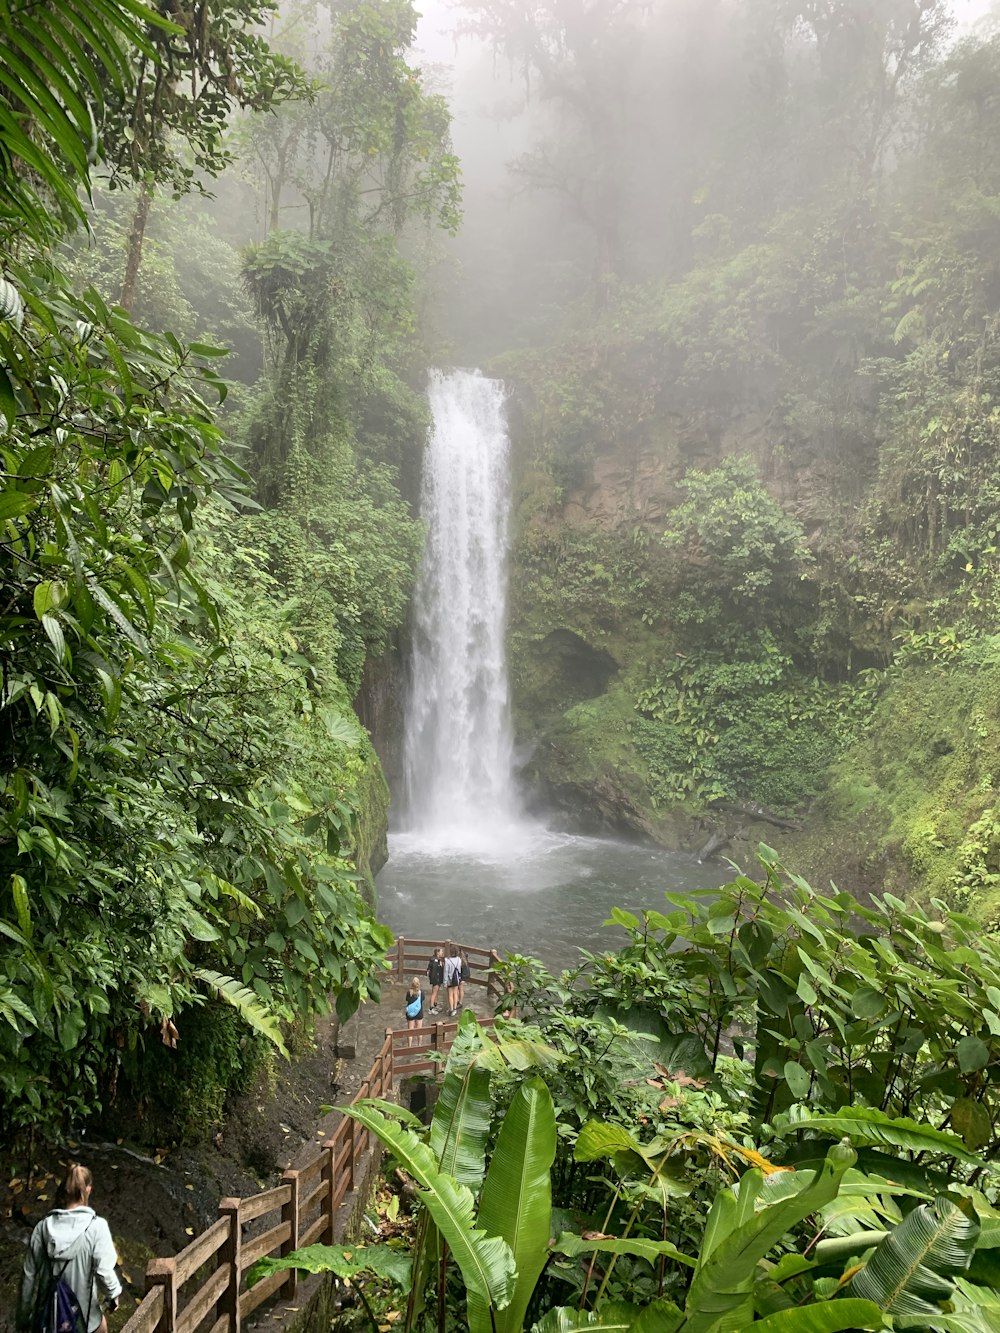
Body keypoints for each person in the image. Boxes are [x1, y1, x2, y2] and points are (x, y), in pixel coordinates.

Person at [18, 1162, 122, 1333]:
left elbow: (28, 1277)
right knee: (100, 1325)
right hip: (83, 1322)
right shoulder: (96, 1227)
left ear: (64, 1189)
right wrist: (113, 1295)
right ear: (88, 1190)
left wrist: (23, 1319)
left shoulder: (42, 1228)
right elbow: (104, 1272)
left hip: (46, 1321)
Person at [444, 942, 463, 1017]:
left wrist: (445, 982)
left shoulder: (448, 961)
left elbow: (446, 972)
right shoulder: (459, 959)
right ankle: (455, 1009)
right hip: (456, 979)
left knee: (450, 995)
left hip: (450, 980)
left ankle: (451, 1009)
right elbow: (459, 970)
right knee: (455, 993)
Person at [404, 975, 424, 1046]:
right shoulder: (421, 993)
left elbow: (407, 1000)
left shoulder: (409, 993)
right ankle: (419, 1045)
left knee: (410, 1030)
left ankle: (409, 1046)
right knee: (419, 1030)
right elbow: (422, 1000)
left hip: (410, 1013)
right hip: (419, 1013)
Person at [426, 947, 445, 1014]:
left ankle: (435, 1004)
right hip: (436, 980)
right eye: (441, 951)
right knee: (434, 993)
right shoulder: (435, 961)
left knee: (436, 992)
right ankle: (431, 1008)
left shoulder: (438, 960)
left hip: (438, 979)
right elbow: (434, 972)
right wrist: (435, 981)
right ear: (437, 953)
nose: (442, 953)